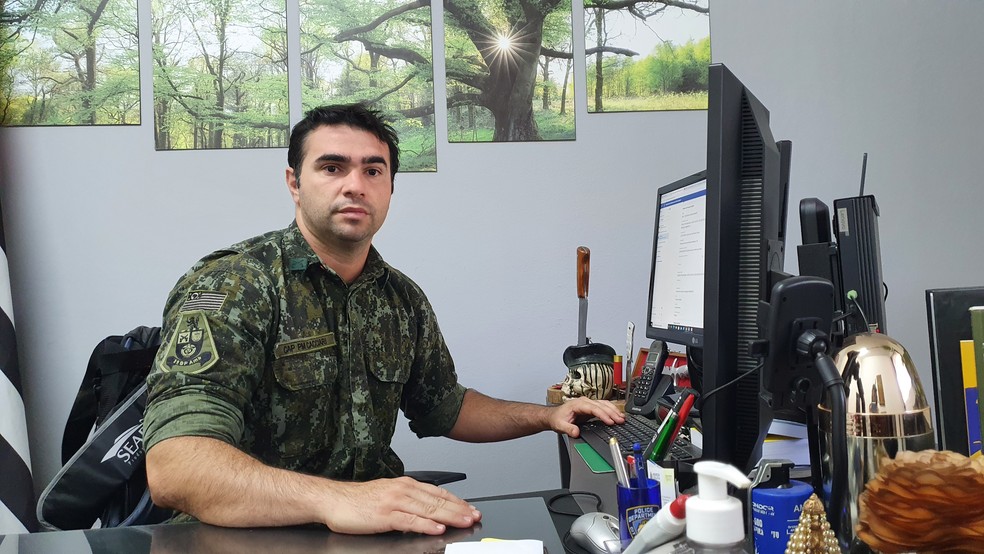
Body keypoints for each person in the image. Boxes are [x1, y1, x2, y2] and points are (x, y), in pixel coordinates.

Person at [143, 103, 624, 536]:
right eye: (332, 167)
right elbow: (175, 466)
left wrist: (547, 417)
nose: (355, 185)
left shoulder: (400, 297)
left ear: (390, 187)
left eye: (374, 170)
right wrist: (339, 499)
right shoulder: (235, 285)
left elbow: (445, 407)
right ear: (294, 182)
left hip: (370, 535)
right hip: (245, 537)